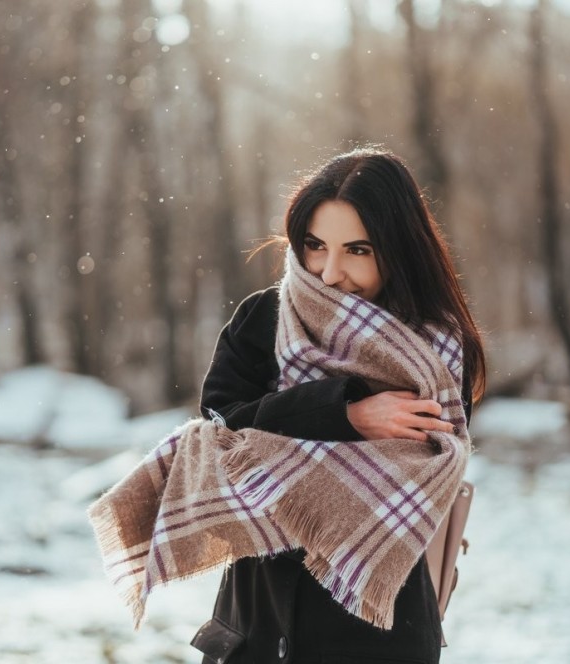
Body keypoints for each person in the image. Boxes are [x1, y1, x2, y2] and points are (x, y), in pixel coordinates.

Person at [190, 147, 486, 664]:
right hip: (260, 621)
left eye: (358, 250)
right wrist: (345, 415)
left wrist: (284, 439)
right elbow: (216, 442)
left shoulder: (432, 346)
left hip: (376, 628)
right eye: (315, 245)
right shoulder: (265, 319)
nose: (329, 273)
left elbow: (418, 470)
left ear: (397, 249)